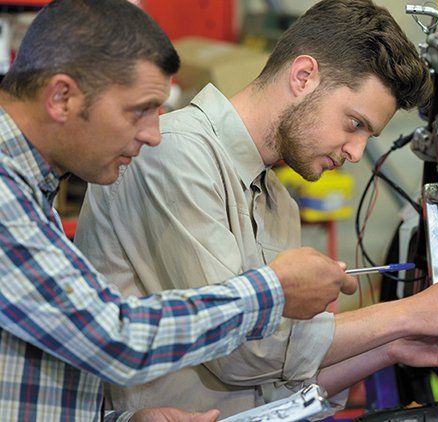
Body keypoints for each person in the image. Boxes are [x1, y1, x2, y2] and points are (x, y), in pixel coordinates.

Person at [76, 0, 438, 418]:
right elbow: (239, 351)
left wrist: (390, 347)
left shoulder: (278, 204)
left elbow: (276, 389)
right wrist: (408, 313)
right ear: (303, 76)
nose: (355, 152)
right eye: (355, 124)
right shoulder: (175, 152)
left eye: (368, 136)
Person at [0, 0, 360, 420]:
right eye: (139, 111)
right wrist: (273, 290)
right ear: (61, 97)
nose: (154, 134)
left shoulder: (30, 194)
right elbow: (116, 338)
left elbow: (32, 377)